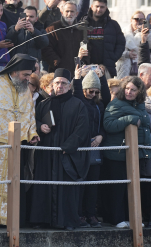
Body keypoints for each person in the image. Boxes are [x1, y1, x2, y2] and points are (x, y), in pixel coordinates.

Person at [0, 54, 38, 227]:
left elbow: (30, 113)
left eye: (29, 75)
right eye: (25, 75)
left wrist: (32, 133)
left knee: (13, 182)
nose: (28, 79)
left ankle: (11, 218)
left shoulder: (25, 89)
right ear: (14, 71)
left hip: (16, 145)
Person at [30, 68, 90, 231]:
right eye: (57, 83)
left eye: (64, 83)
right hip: (46, 154)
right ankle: (41, 219)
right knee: (44, 185)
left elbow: (83, 128)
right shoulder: (43, 104)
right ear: (52, 85)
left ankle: (67, 221)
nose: (60, 86)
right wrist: (39, 126)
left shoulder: (78, 105)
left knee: (66, 189)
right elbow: (32, 121)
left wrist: (68, 146)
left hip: (65, 155)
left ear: (69, 86)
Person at [102, 76, 151, 228]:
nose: (129, 92)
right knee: (118, 188)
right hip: (118, 153)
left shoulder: (140, 104)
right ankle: (117, 219)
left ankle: (133, 218)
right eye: (127, 89)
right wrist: (129, 119)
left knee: (135, 187)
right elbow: (108, 125)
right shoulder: (115, 103)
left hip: (138, 152)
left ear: (139, 92)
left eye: (133, 90)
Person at [73, 65, 111, 228]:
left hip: (96, 147)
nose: (93, 94)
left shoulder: (99, 105)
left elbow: (103, 119)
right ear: (84, 90)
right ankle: (80, 214)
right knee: (81, 183)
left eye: (96, 91)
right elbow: (76, 91)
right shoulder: (80, 102)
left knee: (93, 184)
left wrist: (101, 135)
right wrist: (76, 78)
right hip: (82, 148)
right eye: (90, 91)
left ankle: (91, 214)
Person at [83, 0, 125, 78]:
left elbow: (121, 43)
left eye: (102, 7)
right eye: (97, 6)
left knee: (107, 90)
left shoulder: (113, 25)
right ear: (92, 7)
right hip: (86, 67)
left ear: (106, 8)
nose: (99, 9)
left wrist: (113, 57)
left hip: (107, 67)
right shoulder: (83, 24)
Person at [41, 1, 83, 74]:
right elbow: (46, 48)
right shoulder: (53, 28)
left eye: (72, 11)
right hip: (58, 72)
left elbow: (87, 48)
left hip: (78, 71)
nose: (69, 14)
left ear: (76, 14)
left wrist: (83, 63)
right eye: (67, 11)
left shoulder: (82, 29)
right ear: (62, 12)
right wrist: (56, 62)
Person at [116, 11, 151, 79]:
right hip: (124, 67)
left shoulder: (148, 34)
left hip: (140, 67)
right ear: (131, 20)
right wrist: (127, 54)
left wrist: (144, 35)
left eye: (142, 20)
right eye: (136, 19)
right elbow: (114, 51)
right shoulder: (122, 33)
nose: (139, 21)